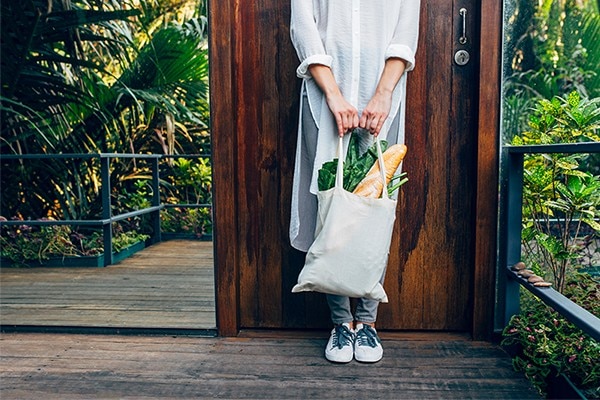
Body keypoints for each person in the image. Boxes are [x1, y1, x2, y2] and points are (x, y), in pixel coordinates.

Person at [289, 0, 421, 363]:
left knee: (374, 203)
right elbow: (305, 29)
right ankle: (340, 324)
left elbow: (404, 34)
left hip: (384, 100)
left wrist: (383, 94)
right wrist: (333, 95)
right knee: (331, 204)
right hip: (324, 98)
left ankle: (367, 323)